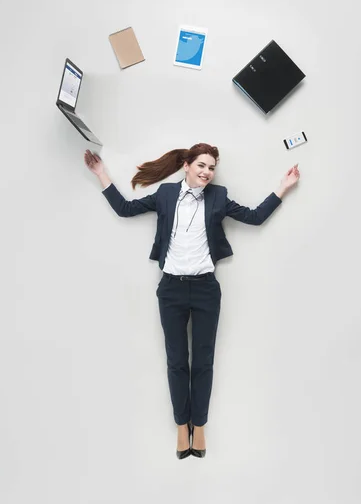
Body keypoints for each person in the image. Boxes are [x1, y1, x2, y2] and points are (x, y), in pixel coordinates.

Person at [84, 143, 300, 459]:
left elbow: (254, 217)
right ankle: (180, 425)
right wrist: (101, 174)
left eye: (211, 167)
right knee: (176, 361)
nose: (206, 172)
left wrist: (282, 188)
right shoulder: (166, 195)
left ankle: (198, 425)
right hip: (170, 290)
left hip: (205, 291)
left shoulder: (219, 197)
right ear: (186, 165)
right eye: (201, 165)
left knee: (202, 362)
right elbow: (126, 209)